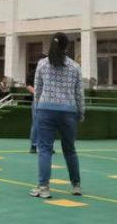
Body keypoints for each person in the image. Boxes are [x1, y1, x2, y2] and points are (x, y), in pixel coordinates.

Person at [29, 33, 83, 198]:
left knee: (44, 149)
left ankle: (43, 187)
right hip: (68, 111)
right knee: (70, 149)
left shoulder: (42, 64)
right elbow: (79, 93)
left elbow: (37, 90)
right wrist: (80, 112)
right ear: (67, 47)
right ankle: (76, 185)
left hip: (45, 110)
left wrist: (37, 109)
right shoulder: (75, 67)